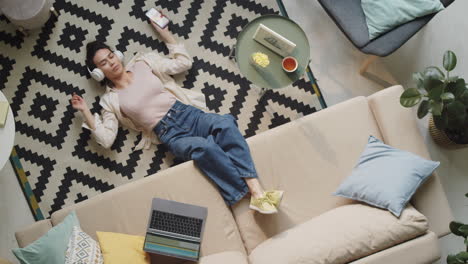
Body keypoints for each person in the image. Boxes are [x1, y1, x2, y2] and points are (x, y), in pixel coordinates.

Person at [70, 19, 283, 214]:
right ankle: (250, 194)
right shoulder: (110, 101)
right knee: (204, 148)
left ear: (118, 54)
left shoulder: (144, 62)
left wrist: (165, 33)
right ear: (97, 73)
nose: (111, 62)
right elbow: (106, 140)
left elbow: (183, 63)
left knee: (225, 123)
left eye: (111, 56)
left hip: (188, 113)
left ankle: (256, 191)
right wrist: (86, 112)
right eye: (103, 63)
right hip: (170, 133)